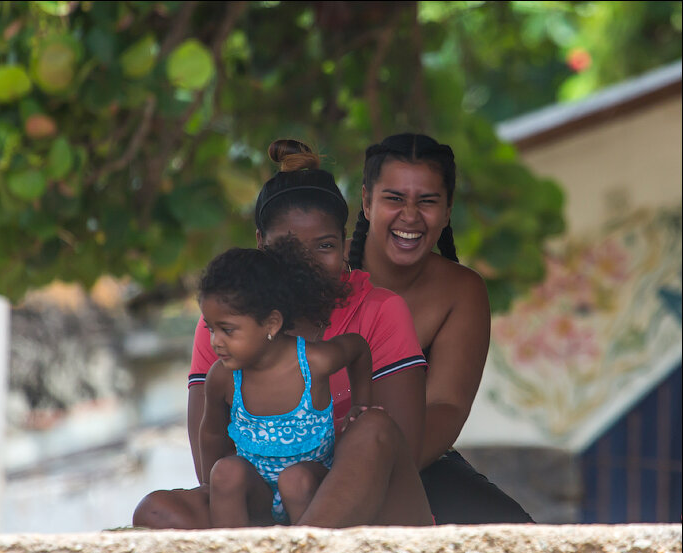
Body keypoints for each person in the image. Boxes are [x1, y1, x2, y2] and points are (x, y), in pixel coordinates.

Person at [133, 139, 433, 528]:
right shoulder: (228, 331)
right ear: (260, 244)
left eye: (324, 246)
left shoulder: (380, 310)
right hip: (267, 507)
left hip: (373, 508)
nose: (305, 265)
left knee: (372, 427)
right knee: (156, 511)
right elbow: (212, 467)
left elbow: (398, 451)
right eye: (288, 248)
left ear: (344, 246)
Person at [348, 132, 534, 524]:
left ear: (447, 210)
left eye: (427, 201)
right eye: (394, 198)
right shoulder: (326, 274)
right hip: (307, 456)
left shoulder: (462, 290)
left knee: (516, 539)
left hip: (417, 459)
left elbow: (445, 406)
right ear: (366, 202)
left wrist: (380, 468)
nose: (410, 215)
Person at [198, 237, 375, 527]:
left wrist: (361, 404)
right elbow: (211, 435)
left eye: (227, 330)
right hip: (257, 496)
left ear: (271, 324)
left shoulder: (313, 363)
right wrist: (209, 486)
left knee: (295, 480)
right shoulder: (223, 377)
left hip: (312, 490)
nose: (215, 342)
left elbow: (358, 348)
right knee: (225, 473)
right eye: (210, 329)